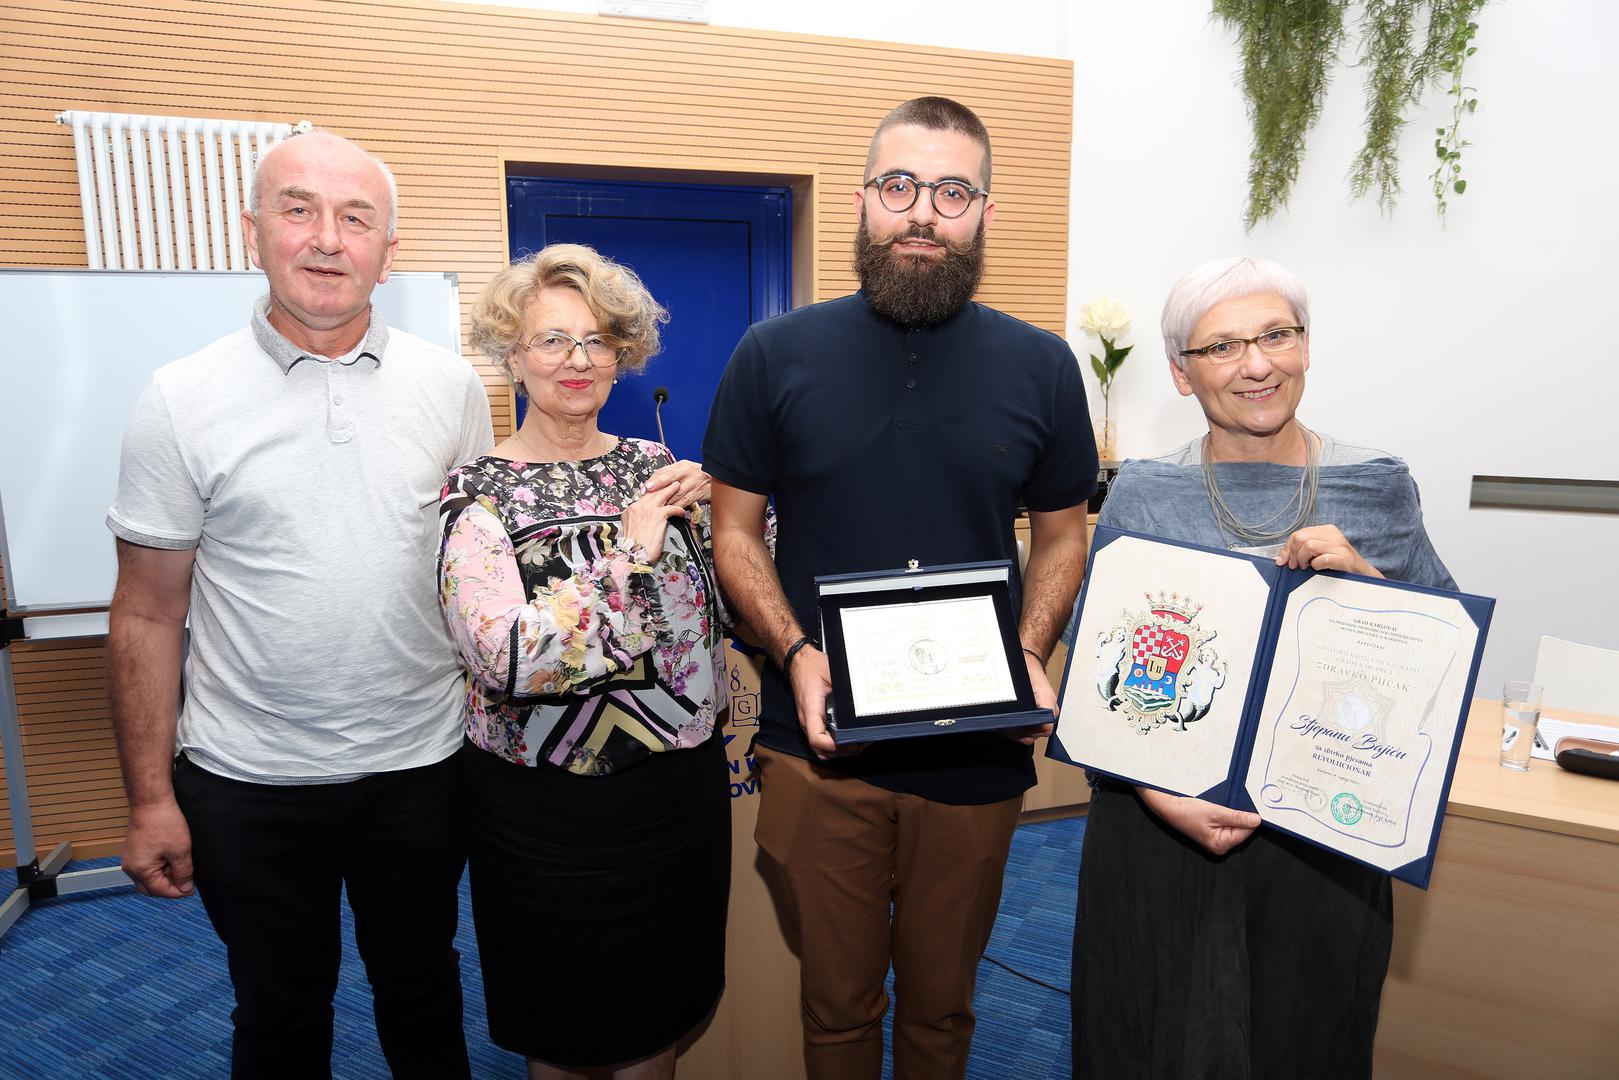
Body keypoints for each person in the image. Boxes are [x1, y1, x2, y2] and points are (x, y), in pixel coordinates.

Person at [702, 97, 1097, 1079]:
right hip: (818, 744)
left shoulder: (1041, 367)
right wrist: (794, 656)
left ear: (983, 215)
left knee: (941, 1012)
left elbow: (1060, 539)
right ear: (862, 201)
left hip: (975, 751)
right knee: (835, 1010)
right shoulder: (773, 356)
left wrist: (1028, 650)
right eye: (899, 186)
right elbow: (732, 534)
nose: (922, 211)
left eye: (952, 191)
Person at [106, 131, 492, 1078]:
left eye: (355, 217)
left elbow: (477, 583)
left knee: (423, 988)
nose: (327, 239)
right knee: (279, 1011)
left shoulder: (451, 390)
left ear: (388, 251)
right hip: (249, 782)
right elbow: (148, 613)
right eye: (298, 209)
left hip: (420, 768)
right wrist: (150, 797)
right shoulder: (178, 399)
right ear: (253, 231)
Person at [1070, 255, 1458, 1078]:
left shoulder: (1375, 485)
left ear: (1305, 347)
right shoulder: (1142, 494)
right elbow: (1097, 675)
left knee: (1307, 1037)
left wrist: (1369, 584)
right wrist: (1153, 788)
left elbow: (1439, 659)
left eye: (1275, 335)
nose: (1256, 364)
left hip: (1325, 830)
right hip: (1158, 823)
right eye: (1222, 347)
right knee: (1149, 1037)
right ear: (1180, 373)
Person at [440, 244, 730, 1080]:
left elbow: (738, 597)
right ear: (512, 355)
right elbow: (508, 658)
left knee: (660, 1019)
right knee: (563, 1030)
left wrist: (733, 518)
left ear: (622, 356)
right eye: (552, 340)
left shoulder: (656, 467)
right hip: (543, 817)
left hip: (676, 800)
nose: (577, 360)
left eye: (597, 340)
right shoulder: (478, 491)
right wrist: (626, 557)